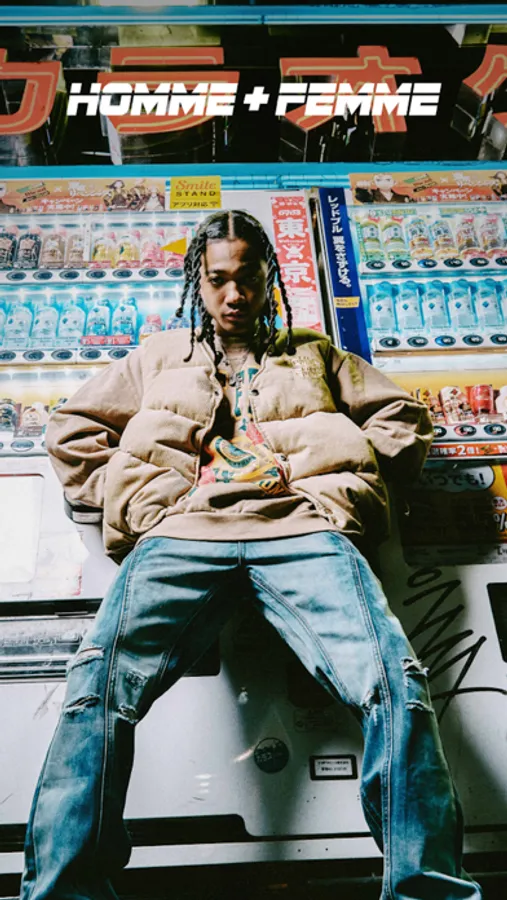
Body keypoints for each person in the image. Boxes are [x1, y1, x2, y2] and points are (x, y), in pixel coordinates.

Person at [21, 210, 482, 900]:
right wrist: (147, 502)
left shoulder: (314, 353)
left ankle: (427, 890)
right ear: (198, 283)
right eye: (218, 280)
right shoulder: (158, 355)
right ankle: (64, 893)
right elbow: (72, 430)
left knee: (395, 684)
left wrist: (336, 491)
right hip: (182, 535)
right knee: (95, 690)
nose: (234, 294)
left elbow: (402, 420)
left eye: (248, 278)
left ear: (270, 279)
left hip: (303, 531)